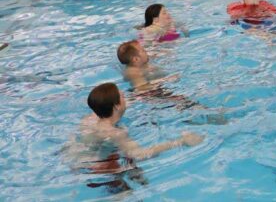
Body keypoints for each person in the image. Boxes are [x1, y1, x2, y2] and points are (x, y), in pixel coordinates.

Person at [62, 83, 203, 193]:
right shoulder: (115, 133)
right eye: (121, 96)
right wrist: (180, 141)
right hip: (94, 168)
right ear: (116, 106)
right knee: (129, 192)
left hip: (75, 159)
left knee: (133, 168)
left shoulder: (91, 118)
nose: (124, 95)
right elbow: (141, 154)